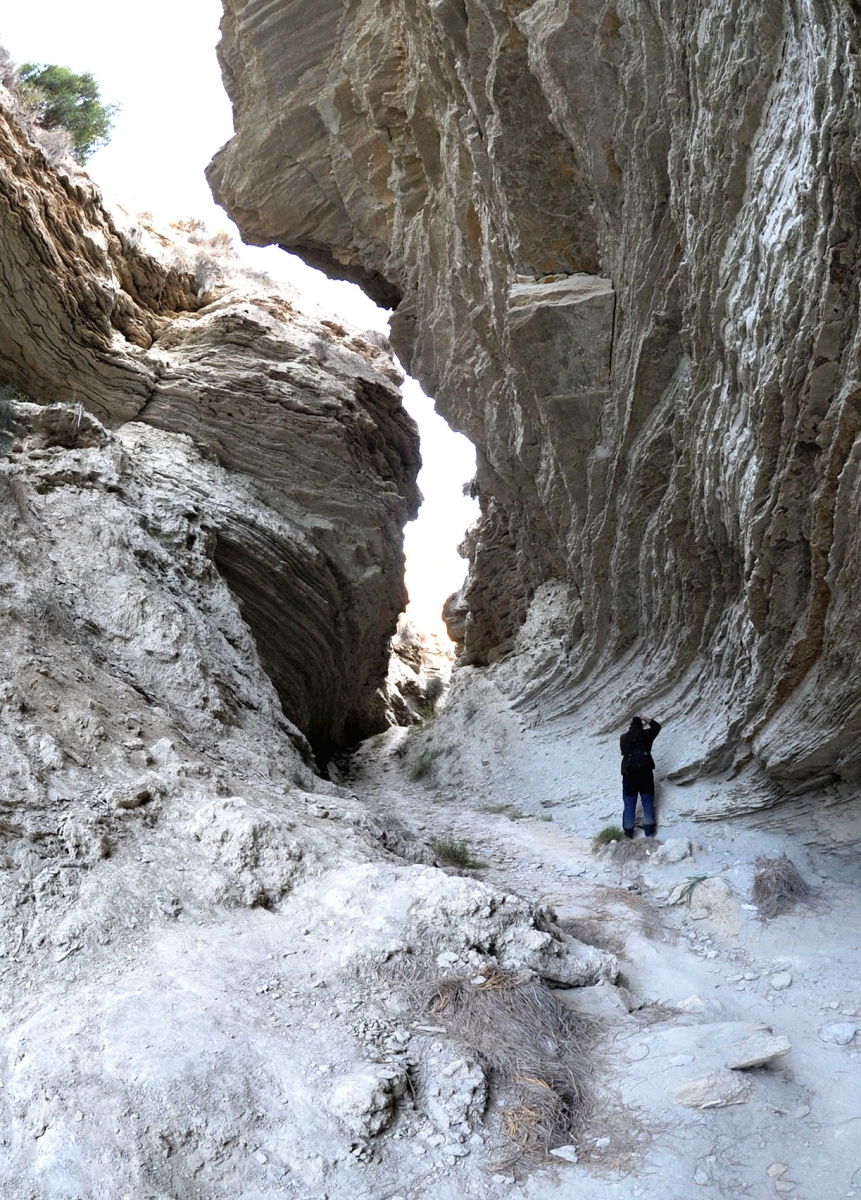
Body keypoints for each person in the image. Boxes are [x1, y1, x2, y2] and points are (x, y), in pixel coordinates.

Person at [619, 716, 661, 838]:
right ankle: (649, 832)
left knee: (629, 803)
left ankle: (628, 833)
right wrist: (645, 719)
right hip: (645, 774)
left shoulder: (624, 738)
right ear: (641, 725)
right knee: (647, 801)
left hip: (629, 775)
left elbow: (623, 752)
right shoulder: (647, 735)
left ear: (630, 726)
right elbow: (657, 727)